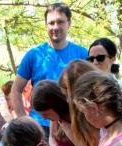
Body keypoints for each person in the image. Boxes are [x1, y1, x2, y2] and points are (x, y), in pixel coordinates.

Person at [10, 2, 88, 137]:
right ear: (46, 25)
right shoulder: (34, 55)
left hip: (74, 124)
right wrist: (24, 121)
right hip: (40, 127)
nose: (55, 27)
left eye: (60, 22)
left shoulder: (82, 54)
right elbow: (15, 90)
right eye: (51, 23)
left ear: (69, 23)